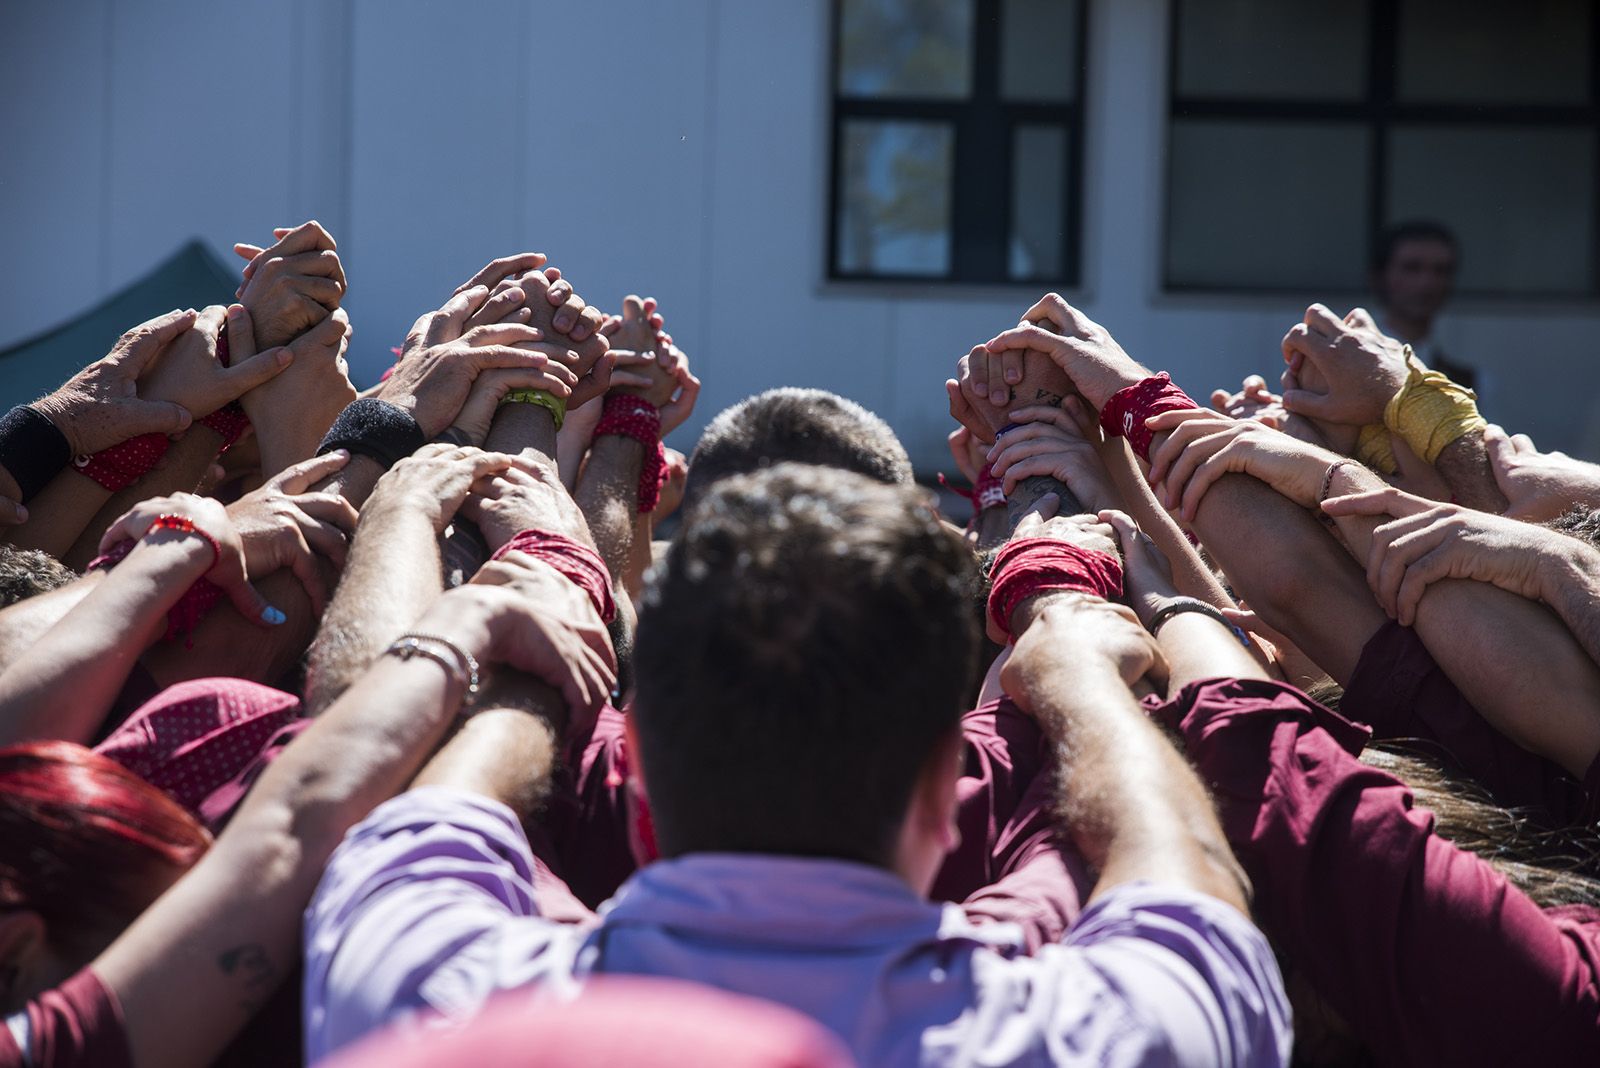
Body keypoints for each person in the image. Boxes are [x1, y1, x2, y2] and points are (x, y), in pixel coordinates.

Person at [1370, 220, 1475, 389]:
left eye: (1440, 270)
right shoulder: (1348, 363)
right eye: (1411, 268)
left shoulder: (1468, 382)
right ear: (1381, 276)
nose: (1426, 283)